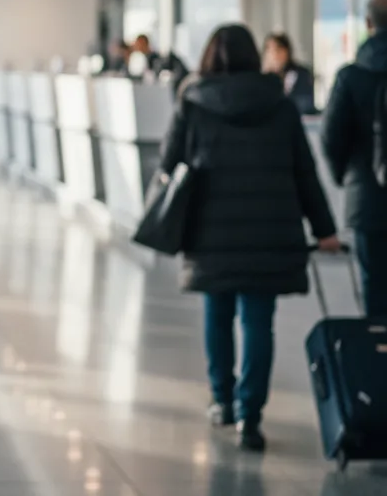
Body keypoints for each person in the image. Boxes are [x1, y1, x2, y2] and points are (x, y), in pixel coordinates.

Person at [159, 23, 339, 452]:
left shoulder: (192, 103)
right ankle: (250, 416)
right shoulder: (278, 103)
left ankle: (221, 399)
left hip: (209, 230)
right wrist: (325, 228)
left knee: (217, 315)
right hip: (269, 230)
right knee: (258, 322)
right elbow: (304, 171)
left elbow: (169, 164)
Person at [322, 0, 387, 318]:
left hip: (367, 198)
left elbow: (332, 137)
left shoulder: (351, 76)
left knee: (374, 287)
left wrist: (343, 176)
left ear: (367, 24)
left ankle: (379, 363)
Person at [263, 34, 316, 115]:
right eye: (269, 50)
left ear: (287, 51)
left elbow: (305, 103)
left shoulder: (302, 74)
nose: (274, 55)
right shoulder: (263, 78)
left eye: (278, 50)